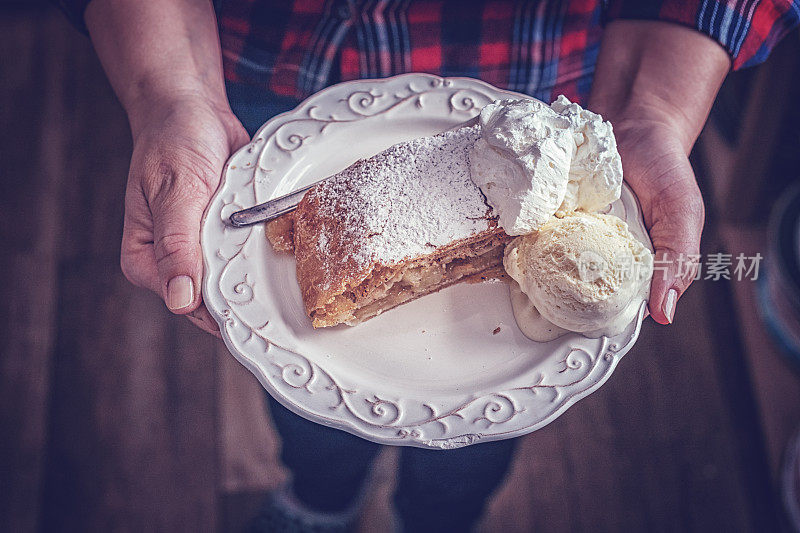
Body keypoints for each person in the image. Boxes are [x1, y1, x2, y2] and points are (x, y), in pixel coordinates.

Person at [56, 0, 800, 531]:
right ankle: (321, 496)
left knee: (486, 425)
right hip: (249, 70)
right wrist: (169, 92)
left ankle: (440, 517)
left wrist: (654, 110)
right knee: (303, 385)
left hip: (536, 101)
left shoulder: (545, 184)